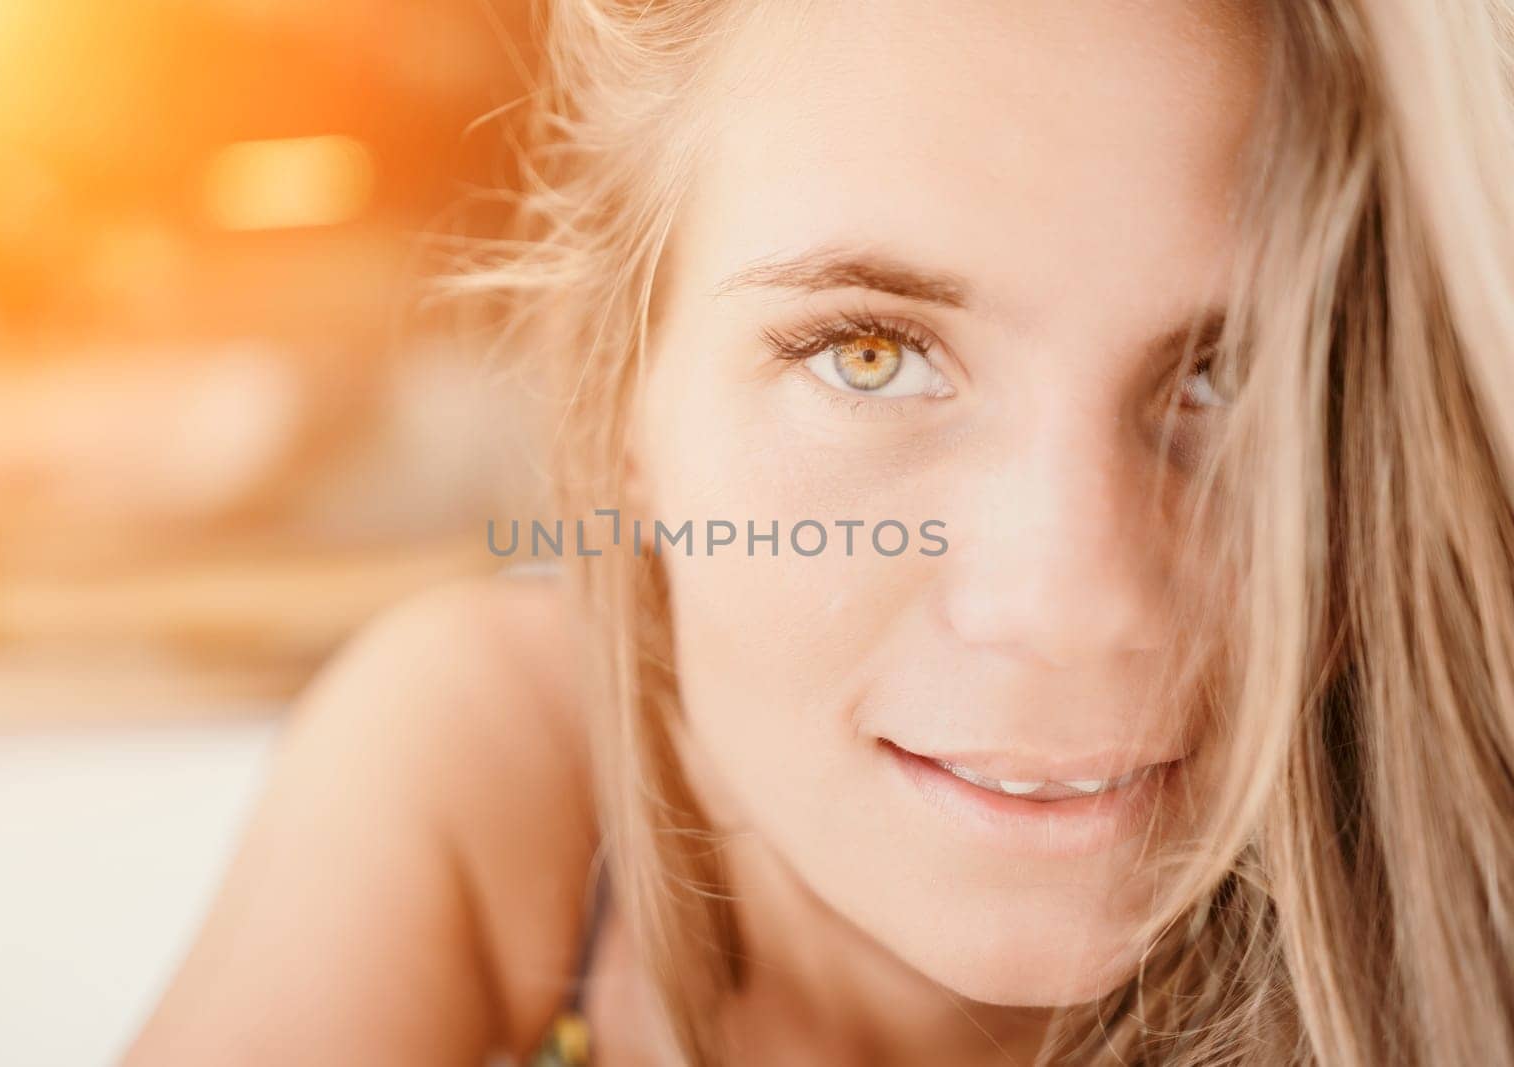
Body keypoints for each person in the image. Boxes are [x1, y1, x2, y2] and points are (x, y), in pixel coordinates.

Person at [124, 1, 1514, 1063]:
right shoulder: (502, 774)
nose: (1071, 598)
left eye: (1238, 374)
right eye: (867, 354)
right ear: (620, 408)